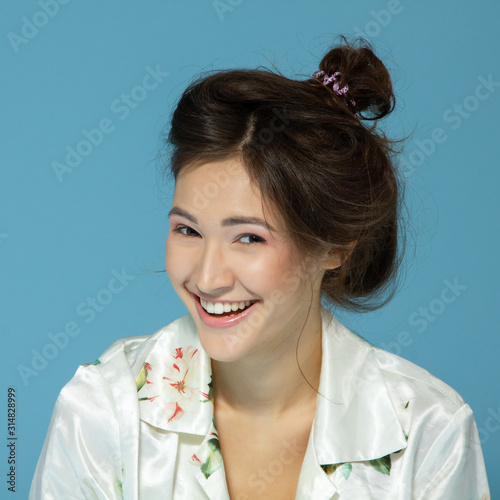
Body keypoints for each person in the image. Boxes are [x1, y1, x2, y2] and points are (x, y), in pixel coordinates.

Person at [30, 38, 490, 499]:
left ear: (335, 246)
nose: (208, 278)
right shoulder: (103, 411)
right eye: (188, 231)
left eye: (249, 238)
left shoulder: (428, 434)